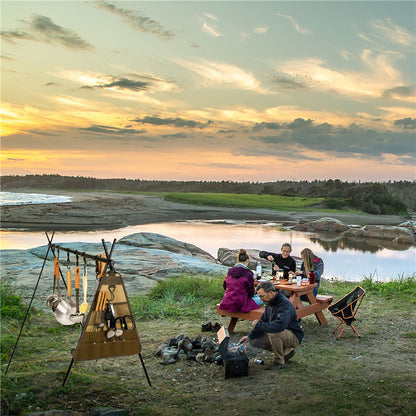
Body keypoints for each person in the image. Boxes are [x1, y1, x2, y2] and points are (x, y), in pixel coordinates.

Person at [238, 281, 303, 369]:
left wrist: (258, 325)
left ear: (271, 293)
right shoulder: (270, 303)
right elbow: (263, 320)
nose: (260, 299)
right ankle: (286, 353)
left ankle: (279, 362)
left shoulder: (284, 304)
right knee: (254, 341)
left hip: (294, 336)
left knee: (274, 333)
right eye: (259, 296)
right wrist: (250, 336)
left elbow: (279, 326)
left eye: (262, 296)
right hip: (282, 333)